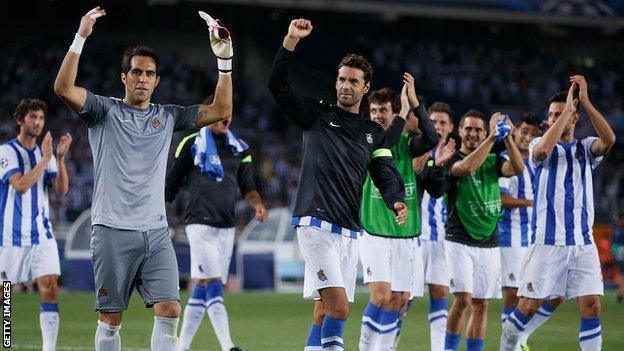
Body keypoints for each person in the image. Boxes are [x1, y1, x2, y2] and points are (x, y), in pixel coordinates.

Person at [53, 7, 233, 351]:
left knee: (170, 309)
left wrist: (224, 61)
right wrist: (81, 37)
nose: (142, 78)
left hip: (155, 232)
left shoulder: (167, 116)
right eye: (136, 71)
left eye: (149, 73)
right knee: (111, 318)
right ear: (124, 77)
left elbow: (221, 111)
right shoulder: (103, 110)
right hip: (111, 230)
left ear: (157, 80)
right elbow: (63, 88)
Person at [268, 18, 407, 351]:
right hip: (314, 224)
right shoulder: (316, 115)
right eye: (342, 79)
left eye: (353, 81)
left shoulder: (373, 133)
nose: (345, 85)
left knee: (322, 312)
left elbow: (385, 170)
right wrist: (290, 41)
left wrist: (396, 199)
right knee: (339, 308)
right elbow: (279, 86)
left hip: (349, 231)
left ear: (365, 86)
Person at [500, 76, 616, 351]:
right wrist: (565, 111)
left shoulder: (585, 148)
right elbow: (541, 149)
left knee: (591, 306)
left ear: (575, 118)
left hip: (582, 242)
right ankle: (507, 345)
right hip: (547, 242)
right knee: (528, 305)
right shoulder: (538, 145)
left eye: (560, 114)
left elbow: (609, 139)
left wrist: (584, 102)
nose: (553, 119)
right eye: (551, 115)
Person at [166, 95, 267, 351]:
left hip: (226, 226)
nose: (226, 117)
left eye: (229, 112)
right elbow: (172, 184)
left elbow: (248, 186)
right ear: (209, 113)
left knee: (203, 285)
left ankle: (182, 346)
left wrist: (257, 204)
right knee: (213, 282)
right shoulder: (191, 143)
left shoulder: (239, 148)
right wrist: (160, 214)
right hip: (200, 224)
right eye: (220, 112)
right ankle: (228, 346)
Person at [359, 76, 445, 350]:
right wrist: (403, 113)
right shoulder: (365, 137)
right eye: (373, 111)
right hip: (374, 230)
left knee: (399, 299)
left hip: (406, 234)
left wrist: (416, 106)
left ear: (394, 112)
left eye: (383, 110)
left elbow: (432, 137)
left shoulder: (407, 142)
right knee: (381, 297)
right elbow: (386, 141)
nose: (376, 115)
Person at [443, 110, 525, 351]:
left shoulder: (494, 162)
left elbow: (519, 167)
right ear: (459, 130)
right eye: (468, 128)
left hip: (489, 240)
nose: (473, 133)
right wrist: (491, 137)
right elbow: (466, 168)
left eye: (478, 129)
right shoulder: (451, 159)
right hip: (459, 240)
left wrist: (507, 137)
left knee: (482, 304)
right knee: (463, 300)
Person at [0, 99, 71, 351]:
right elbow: (20, 186)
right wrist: (44, 159)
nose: (38, 122)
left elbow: (62, 190)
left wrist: (60, 160)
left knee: (50, 288)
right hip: (10, 237)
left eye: (41, 118)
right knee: (4, 297)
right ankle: (5, 340)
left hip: (41, 234)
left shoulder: (46, 153)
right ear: (20, 120)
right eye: (32, 117)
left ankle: (48, 349)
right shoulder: (7, 151)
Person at [416, 101, 456, 351]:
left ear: (451, 127)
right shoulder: (415, 151)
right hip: (414, 237)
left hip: (442, 238)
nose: (438, 127)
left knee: (440, 293)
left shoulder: (455, 157)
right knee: (403, 298)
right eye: (433, 122)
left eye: (443, 122)